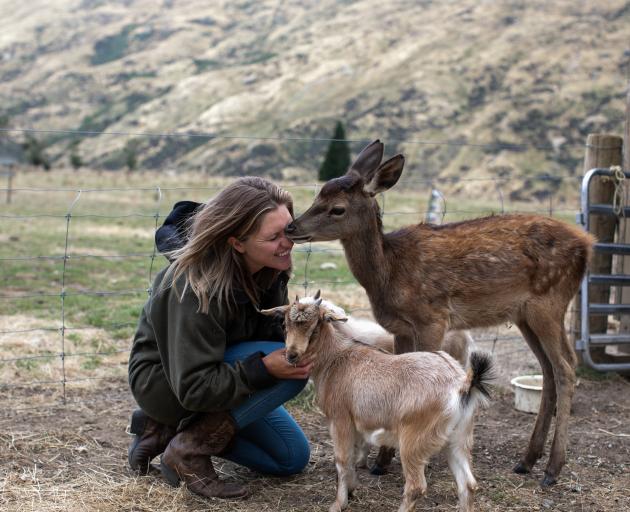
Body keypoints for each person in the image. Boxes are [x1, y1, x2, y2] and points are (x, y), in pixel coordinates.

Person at [127, 177, 312, 499]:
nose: (288, 243)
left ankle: (167, 430)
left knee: (289, 459)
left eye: (289, 230)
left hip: (220, 368)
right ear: (237, 243)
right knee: (291, 364)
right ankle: (187, 450)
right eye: (273, 237)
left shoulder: (268, 268)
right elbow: (194, 386)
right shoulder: (192, 284)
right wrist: (263, 369)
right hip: (169, 383)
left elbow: (265, 334)